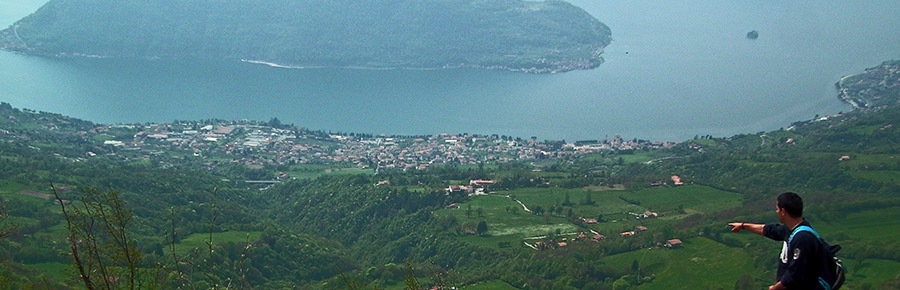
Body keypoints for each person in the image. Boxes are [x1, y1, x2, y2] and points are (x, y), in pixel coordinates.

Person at [728, 192, 835, 290]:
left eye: (777, 209)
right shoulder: (792, 229)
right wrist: (743, 226)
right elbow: (768, 230)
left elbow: (795, 273)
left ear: (783, 211)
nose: (776, 211)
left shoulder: (802, 238)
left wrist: (775, 288)